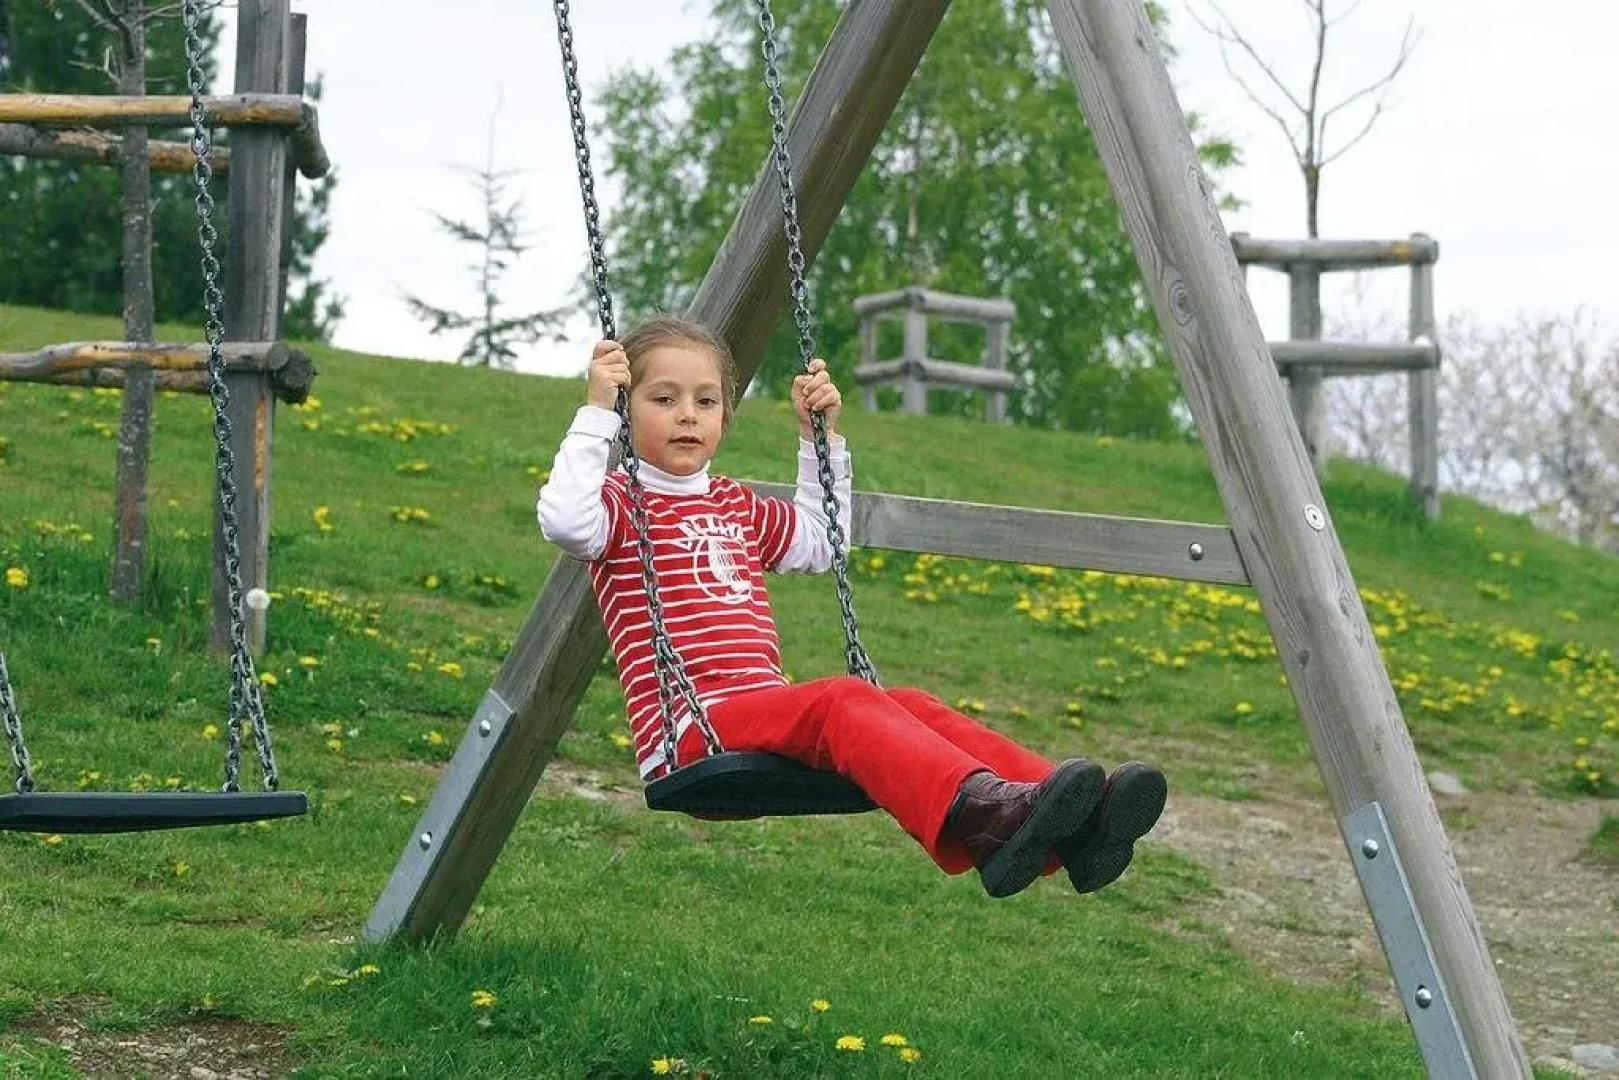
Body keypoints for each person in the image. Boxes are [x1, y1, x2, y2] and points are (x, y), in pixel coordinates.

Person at [537, 314, 1167, 899]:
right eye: (663, 399)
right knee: (842, 700)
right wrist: (593, 413)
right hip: (695, 730)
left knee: (908, 704)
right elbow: (565, 521)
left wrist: (821, 440)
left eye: (706, 401)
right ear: (625, 410)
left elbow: (819, 541)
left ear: (726, 418)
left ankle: (1071, 823)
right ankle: (985, 817)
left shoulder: (734, 502)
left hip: (760, 714)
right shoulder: (619, 505)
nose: (687, 416)